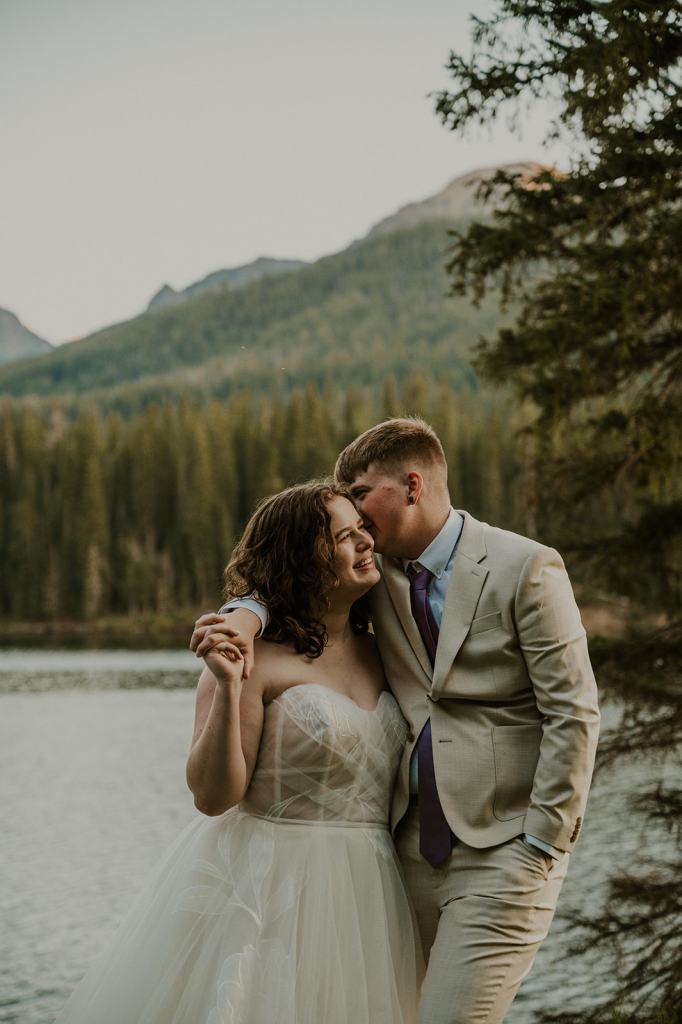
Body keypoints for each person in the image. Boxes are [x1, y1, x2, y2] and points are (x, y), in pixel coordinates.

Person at [215, 416, 601, 1024]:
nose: (356, 516)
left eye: (362, 494)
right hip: (404, 856)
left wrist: (541, 843)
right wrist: (242, 613)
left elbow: (574, 714)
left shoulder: (526, 568)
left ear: (413, 486)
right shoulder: (377, 573)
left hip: (505, 851)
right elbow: (291, 575)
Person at [55, 480, 422, 1024]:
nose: (365, 542)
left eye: (361, 529)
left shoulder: (390, 648)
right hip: (268, 888)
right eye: (344, 537)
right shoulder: (248, 658)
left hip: (369, 893)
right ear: (303, 560)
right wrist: (227, 687)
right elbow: (212, 796)